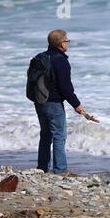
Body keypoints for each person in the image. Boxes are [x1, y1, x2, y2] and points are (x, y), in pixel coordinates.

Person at [34, 29, 85, 175]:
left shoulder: (40, 57)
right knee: (59, 136)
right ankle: (60, 170)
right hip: (54, 104)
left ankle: (42, 168)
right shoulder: (61, 60)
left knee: (45, 135)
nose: (68, 43)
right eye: (67, 41)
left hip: (39, 101)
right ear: (62, 44)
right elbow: (65, 87)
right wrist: (76, 104)